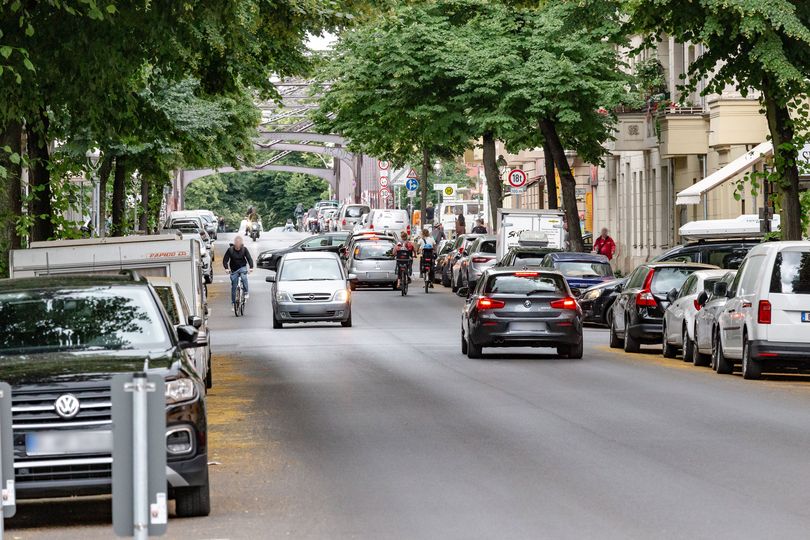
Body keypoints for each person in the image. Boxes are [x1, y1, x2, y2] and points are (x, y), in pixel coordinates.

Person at [223, 236, 254, 305]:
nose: (238, 246)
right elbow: (225, 260)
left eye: (239, 244)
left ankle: (246, 292)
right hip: (234, 269)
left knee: (244, 277)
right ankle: (233, 302)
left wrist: (251, 267)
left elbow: (249, 258)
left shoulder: (244, 249)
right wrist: (226, 268)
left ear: (241, 244)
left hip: (242, 267)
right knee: (234, 285)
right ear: (234, 244)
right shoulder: (230, 250)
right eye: (236, 244)